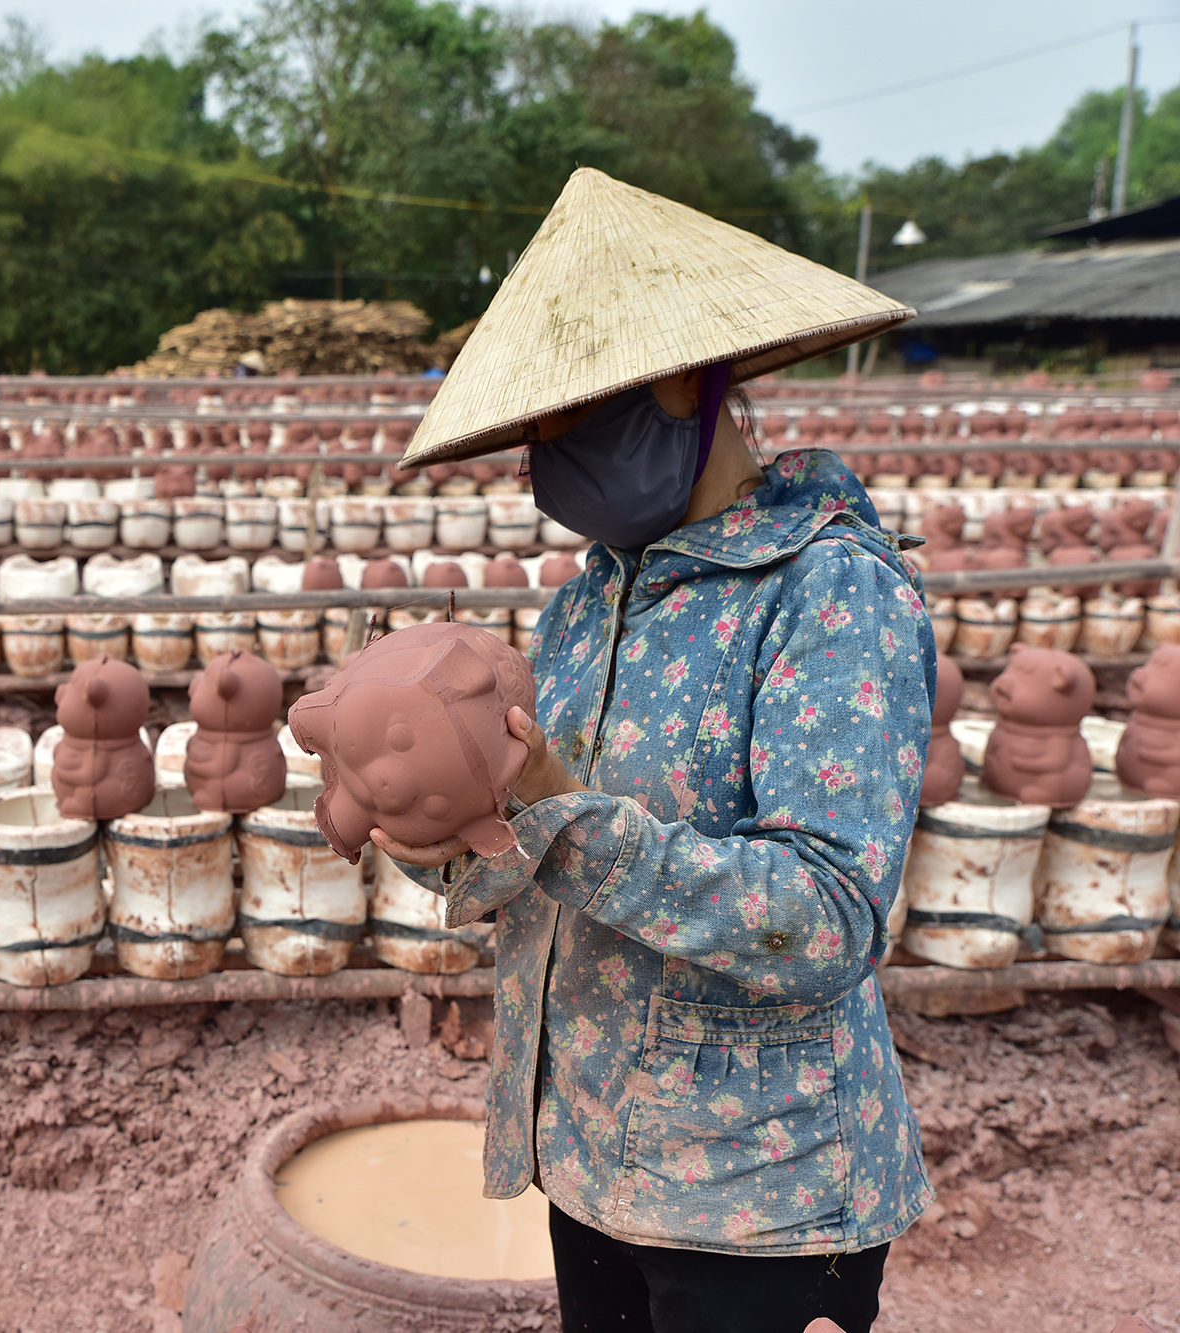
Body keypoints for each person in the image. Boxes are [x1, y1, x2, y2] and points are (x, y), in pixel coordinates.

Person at [374, 168, 933, 1333]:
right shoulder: (586, 605)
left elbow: (829, 913)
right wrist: (436, 824)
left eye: (566, 417)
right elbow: (525, 841)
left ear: (685, 381)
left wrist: (562, 811)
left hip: (754, 1194)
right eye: (533, 430)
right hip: (591, 1149)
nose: (545, 458)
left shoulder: (828, 593)